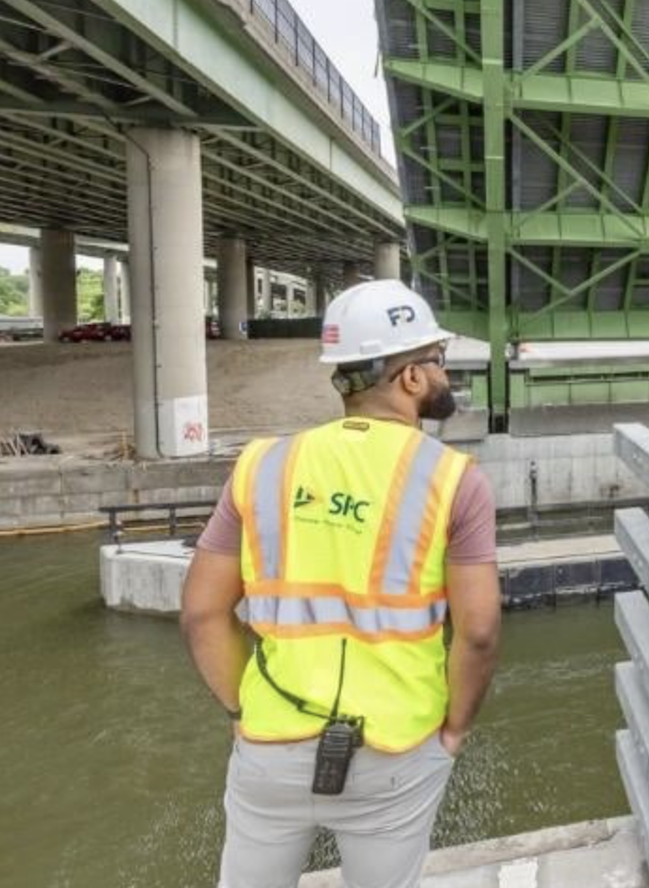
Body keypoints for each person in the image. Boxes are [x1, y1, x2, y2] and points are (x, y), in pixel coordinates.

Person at [181, 280, 501, 888]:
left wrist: (242, 709)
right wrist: (453, 732)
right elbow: (479, 633)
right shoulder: (455, 481)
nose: (445, 374)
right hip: (397, 751)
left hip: (272, 740)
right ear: (409, 378)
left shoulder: (263, 466)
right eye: (438, 361)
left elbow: (201, 613)